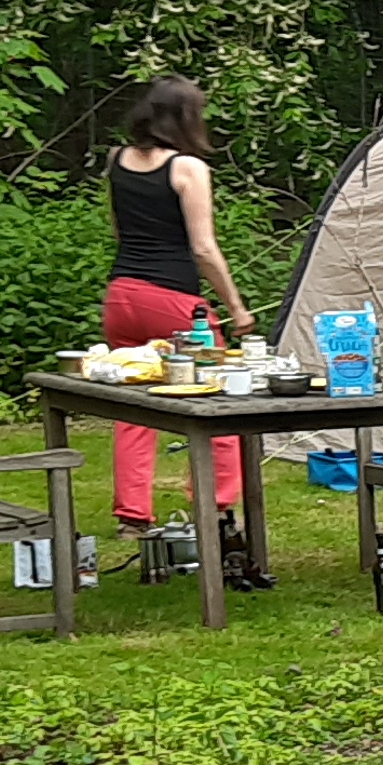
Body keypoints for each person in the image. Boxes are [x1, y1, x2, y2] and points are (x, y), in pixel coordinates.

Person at [104, 74, 265, 585]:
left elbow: (117, 229)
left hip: (122, 295)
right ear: (185, 118)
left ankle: (133, 514)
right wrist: (236, 308)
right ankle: (216, 508)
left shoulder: (116, 161)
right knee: (217, 400)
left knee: (133, 405)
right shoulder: (188, 167)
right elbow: (202, 247)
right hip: (175, 301)